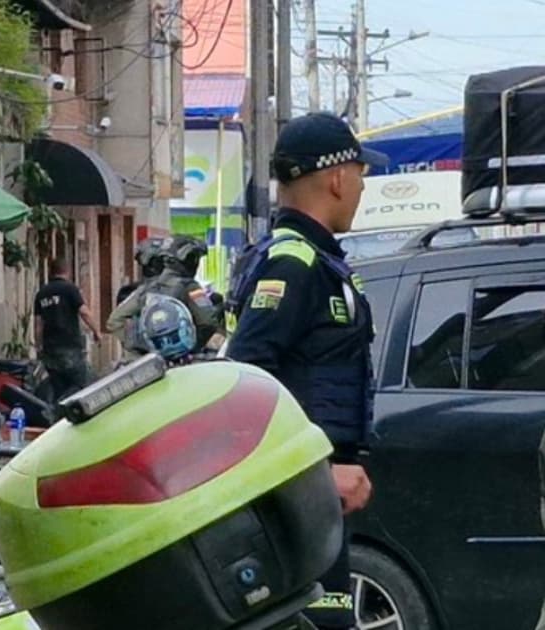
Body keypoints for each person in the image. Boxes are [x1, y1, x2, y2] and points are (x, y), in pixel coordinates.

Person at [225, 112, 387, 630]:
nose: (362, 188)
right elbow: (245, 378)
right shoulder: (293, 264)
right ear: (338, 177)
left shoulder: (312, 259)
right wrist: (315, 476)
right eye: (362, 174)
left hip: (312, 495)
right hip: (298, 493)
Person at [34, 257, 101, 401]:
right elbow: (84, 312)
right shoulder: (70, 289)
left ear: (51, 272)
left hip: (50, 349)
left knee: (59, 388)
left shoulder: (41, 294)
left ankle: (60, 414)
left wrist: (39, 346)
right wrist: (96, 331)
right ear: (67, 271)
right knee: (82, 385)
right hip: (69, 346)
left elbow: (39, 324)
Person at [151, 235, 222, 350]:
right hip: (182, 353)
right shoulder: (191, 287)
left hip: (150, 354)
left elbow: (116, 320)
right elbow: (208, 321)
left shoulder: (148, 287)